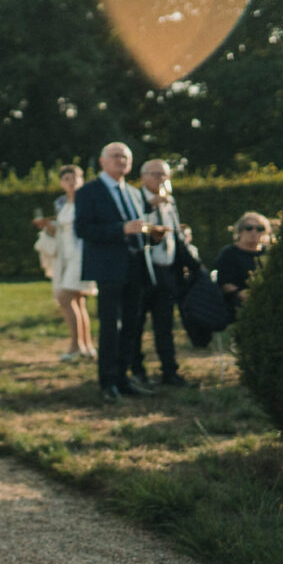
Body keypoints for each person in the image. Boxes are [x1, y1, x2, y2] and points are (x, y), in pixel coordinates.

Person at [73, 142, 159, 404]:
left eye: (126, 157)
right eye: (116, 156)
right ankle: (108, 381)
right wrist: (121, 229)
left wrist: (152, 234)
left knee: (132, 325)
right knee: (112, 326)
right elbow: (84, 230)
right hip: (108, 268)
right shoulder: (89, 191)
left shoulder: (134, 193)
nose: (121, 161)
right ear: (102, 161)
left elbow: (138, 228)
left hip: (136, 265)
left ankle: (124, 377)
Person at [130, 159, 188, 387]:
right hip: (143, 270)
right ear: (144, 177)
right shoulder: (136, 198)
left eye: (165, 175)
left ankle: (170, 371)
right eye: (156, 174)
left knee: (165, 325)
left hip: (167, 269)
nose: (161, 179)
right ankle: (137, 370)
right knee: (136, 324)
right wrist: (151, 206)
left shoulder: (170, 201)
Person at [34, 164, 97, 363]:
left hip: (81, 255)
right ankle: (86, 347)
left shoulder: (88, 201)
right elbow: (63, 230)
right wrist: (49, 227)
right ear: (61, 182)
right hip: (64, 256)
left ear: (81, 180)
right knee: (78, 301)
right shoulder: (60, 203)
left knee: (64, 297)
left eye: (74, 178)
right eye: (67, 179)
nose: (71, 182)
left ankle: (74, 346)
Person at [214, 212, 272, 315]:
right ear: (240, 231)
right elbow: (224, 283)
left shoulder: (269, 253)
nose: (254, 232)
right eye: (249, 228)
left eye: (260, 229)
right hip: (235, 306)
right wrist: (243, 295)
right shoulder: (229, 253)